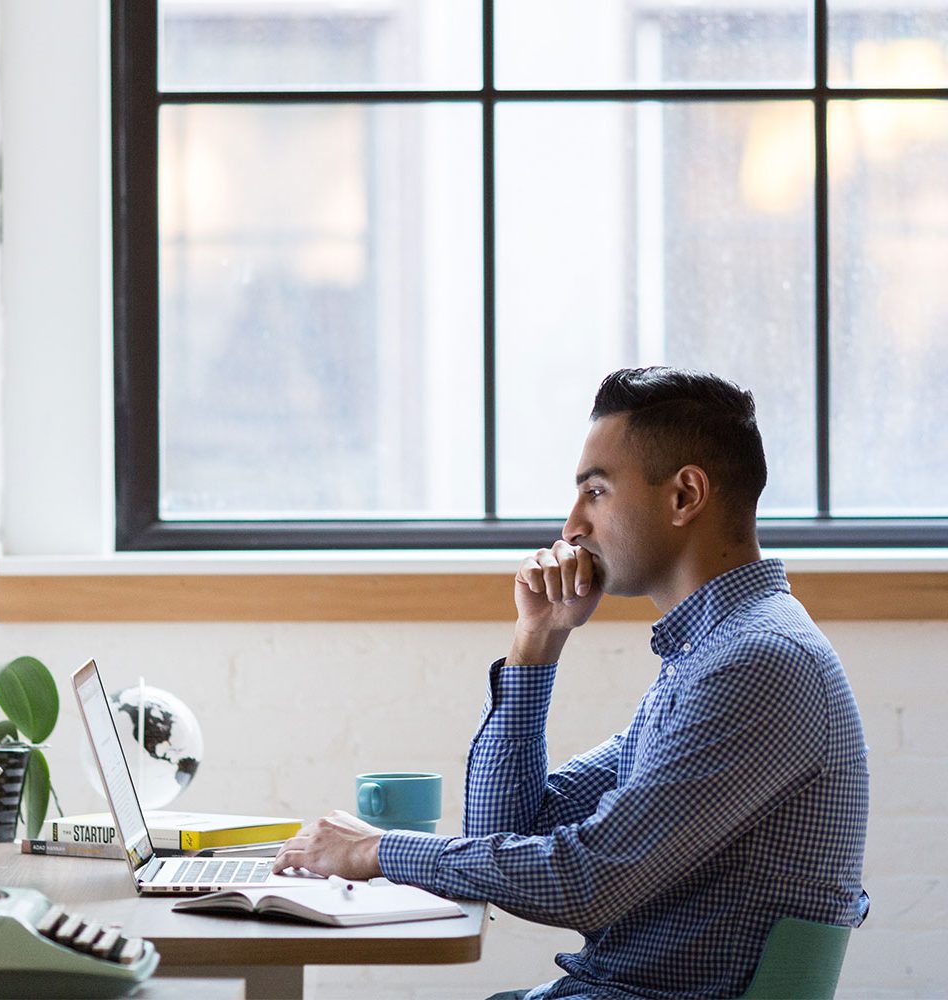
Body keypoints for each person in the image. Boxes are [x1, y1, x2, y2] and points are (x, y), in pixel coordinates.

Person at [273, 367, 869, 999]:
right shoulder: (708, 657)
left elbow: (588, 881)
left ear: (684, 496)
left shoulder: (756, 663)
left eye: (596, 492)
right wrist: (538, 643)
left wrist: (378, 851)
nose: (571, 527)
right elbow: (506, 829)